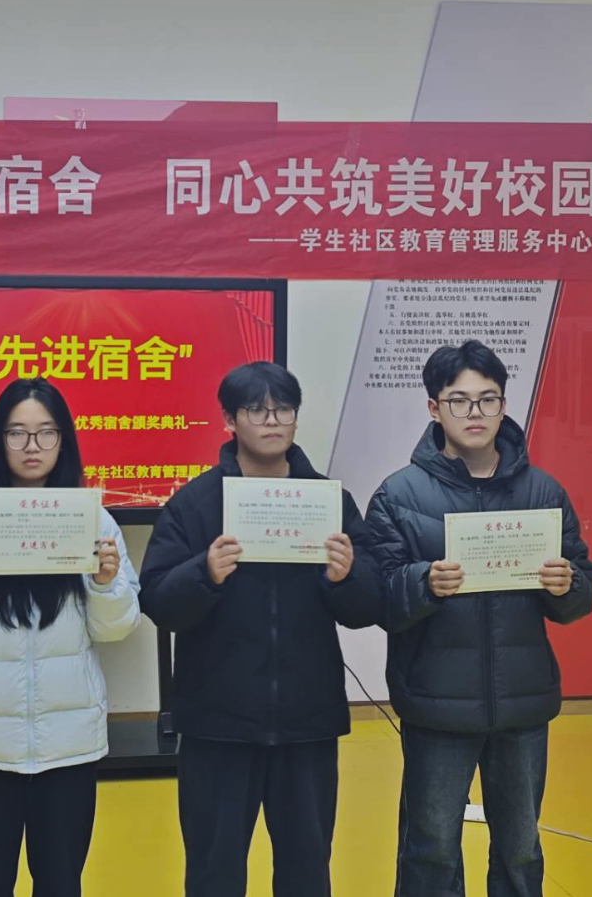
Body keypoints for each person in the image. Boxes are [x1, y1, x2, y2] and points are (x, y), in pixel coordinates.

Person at [139, 361, 381, 897]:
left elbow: (368, 606)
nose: (272, 421)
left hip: (307, 722)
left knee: (306, 869)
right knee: (214, 872)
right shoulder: (195, 503)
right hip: (217, 725)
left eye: (284, 409)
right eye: (256, 410)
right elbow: (156, 601)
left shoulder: (327, 501)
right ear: (230, 420)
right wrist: (203, 573)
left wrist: (347, 576)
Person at [365, 339, 592, 897]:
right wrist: (423, 583)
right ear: (434, 407)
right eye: (459, 400)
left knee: (521, 849)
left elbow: (579, 592)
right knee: (430, 847)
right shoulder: (398, 495)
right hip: (436, 703)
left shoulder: (542, 491)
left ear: (503, 405)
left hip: (521, 702)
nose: (475, 413)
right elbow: (377, 596)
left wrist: (566, 585)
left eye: (488, 400)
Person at [0, 376, 140, 897]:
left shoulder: (94, 522)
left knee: (60, 883)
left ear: (64, 440)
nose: (31, 446)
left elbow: (117, 627)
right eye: (17, 433)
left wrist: (105, 584)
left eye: (46, 432)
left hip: (69, 743)